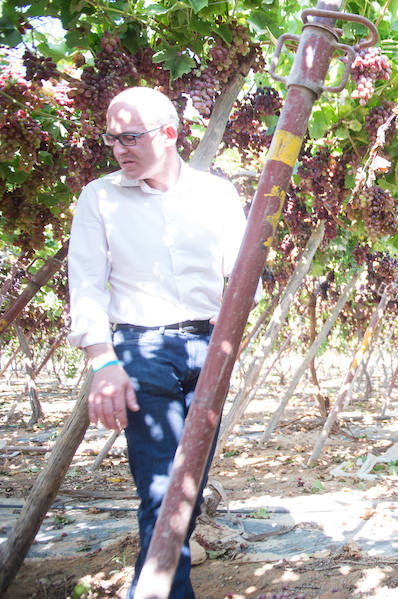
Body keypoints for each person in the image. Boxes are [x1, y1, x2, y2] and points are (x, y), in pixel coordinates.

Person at [67, 86, 248, 599]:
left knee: (185, 494)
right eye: (112, 138)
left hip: (209, 351)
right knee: (161, 495)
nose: (120, 148)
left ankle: (146, 590)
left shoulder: (217, 195)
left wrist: (230, 342)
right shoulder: (99, 198)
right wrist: (102, 362)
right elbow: (85, 283)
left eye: (131, 137)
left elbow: (241, 278)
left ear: (169, 134)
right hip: (140, 354)